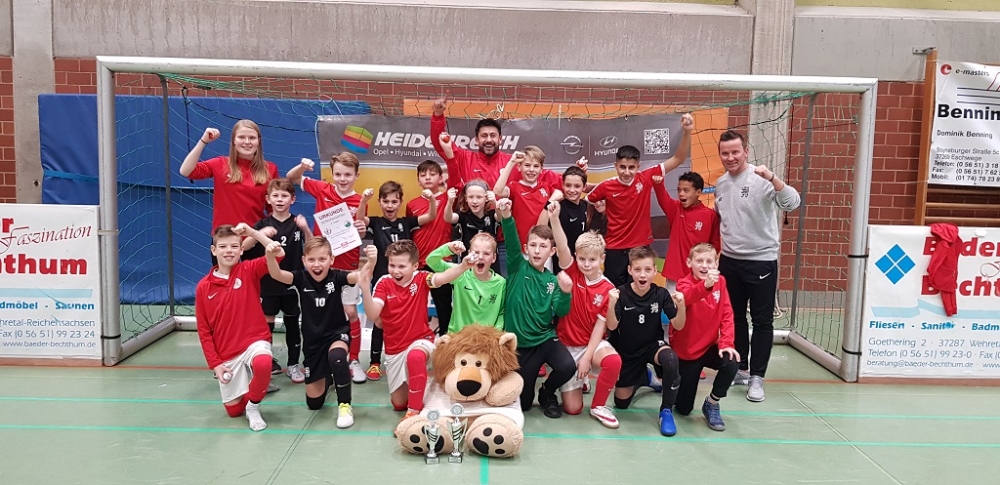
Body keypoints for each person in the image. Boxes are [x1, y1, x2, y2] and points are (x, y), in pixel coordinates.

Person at [714, 130, 801, 403]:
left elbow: (793, 202)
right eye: (725, 153)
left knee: (762, 321)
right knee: (735, 318)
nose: (730, 157)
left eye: (735, 152)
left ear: (746, 152)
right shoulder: (721, 184)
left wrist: (773, 178)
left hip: (761, 261)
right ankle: (741, 368)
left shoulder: (761, 178)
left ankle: (757, 377)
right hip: (730, 262)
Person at [258, 234, 374, 429]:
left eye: (322, 259)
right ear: (304, 260)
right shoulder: (300, 278)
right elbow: (277, 274)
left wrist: (372, 260)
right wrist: (270, 256)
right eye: (311, 259)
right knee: (314, 404)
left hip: (336, 333)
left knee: (337, 357)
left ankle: (345, 406)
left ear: (331, 259)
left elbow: (362, 275)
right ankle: (328, 377)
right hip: (313, 342)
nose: (317, 264)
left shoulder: (337, 276)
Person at [357, 241, 472, 423]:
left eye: (402, 266)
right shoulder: (384, 283)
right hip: (394, 349)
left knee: (415, 357)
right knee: (398, 403)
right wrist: (364, 288)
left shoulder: (422, 278)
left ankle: (413, 412)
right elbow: (373, 315)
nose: (396, 271)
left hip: (421, 341)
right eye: (392, 265)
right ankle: (418, 389)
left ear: (415, 266)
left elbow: (443, 277)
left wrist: (463, 266)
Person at [286, 155, 368, 384]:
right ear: (332, 174)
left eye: (348, 174)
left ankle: (353, 360)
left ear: (356, 175)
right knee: (320, 314)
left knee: (350, 312)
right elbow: (291, 178)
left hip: (347, 265)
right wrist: (302, 167)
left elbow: (360, 232)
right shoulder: (322, 189)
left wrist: (361, 229)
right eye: (338, 174)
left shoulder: (359, 200)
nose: (343, 179)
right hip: (320, 268)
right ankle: (322, 359)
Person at [586, 114, 694, 287]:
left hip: (640, 247)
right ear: (615, 166)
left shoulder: (646, 177)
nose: (626, 172)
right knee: (614, 293)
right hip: (614, 248)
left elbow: (678, 159)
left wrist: (687, 131)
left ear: (638, 166)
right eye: (622, 167)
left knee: (640, 291)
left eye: (631, 167)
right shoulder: (605, 186)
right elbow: (585, 201)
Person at [495, 197, 574, 419]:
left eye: (543, 246)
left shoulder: (553, 280)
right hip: (522, 346)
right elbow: (511, 239)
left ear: (552, 251)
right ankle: (530, 392)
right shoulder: (517, 266)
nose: (537, 251)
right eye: (533, 245)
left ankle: (547, 392)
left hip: (545, 339)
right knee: (524, 404)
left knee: (568, 366)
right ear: (526, 248)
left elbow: (561, 311)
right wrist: (507, 216)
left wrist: (566, 293)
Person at [194, 224, 277, 432]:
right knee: (233, 411)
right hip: (228, 352)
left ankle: (254, 406)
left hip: (254, 340)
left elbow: (278, 253)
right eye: (223, 247)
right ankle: (253, 390)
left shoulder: (248, 270)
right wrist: (216, 364)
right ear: (214, 250)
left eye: (234, 246)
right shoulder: (203, 287)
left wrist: (253, 233)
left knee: (263, 363)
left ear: (241, 249)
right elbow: (204, 331)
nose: (229, 251)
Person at [547, 204, 621, 428]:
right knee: (573, 409)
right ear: (576, 257)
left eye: (592, 259)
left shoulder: (608, 288)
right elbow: (562, 247)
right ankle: (581, 380)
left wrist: (587, 358)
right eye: (582, 259)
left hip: (591, 344)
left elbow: (601, 327)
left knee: (613, 361)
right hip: (568, 345)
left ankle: (599, 406)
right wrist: (554, 219)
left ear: (602, 258)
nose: (586, 264)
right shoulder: (572, 271)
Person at [355, 181, 438, 381]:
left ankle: (409, 356)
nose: (390, 205)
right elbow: (359, 220)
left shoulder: (407, 222)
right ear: (380, 202)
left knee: (404, 320)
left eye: (394, 201)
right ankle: (375, 363)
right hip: (383, 281)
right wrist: (363, 200)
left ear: (401, 202)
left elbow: (430, 216)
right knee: (379, 321)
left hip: (405, 283)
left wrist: (432, 201)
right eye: (386, 201)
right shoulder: (375, 223)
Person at [606, 247, 686, 437]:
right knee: (621, 404)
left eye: (648, 269)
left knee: (671, 359)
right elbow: (611, 325)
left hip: (653, 346)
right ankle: (645, 377)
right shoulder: (621, 293)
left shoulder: (661, 294)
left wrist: (681, 307)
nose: (643, 274)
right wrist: (611, 303)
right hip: (628, 352)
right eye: (638, 269)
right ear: (630, 270)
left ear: (654, 271)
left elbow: (678, 325)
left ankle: (666, 410)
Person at [242, 178, 312, 380]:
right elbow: (244, 247)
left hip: (292, 282)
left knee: (292, 324)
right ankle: (267, 362)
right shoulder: (263, 224)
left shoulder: (297, 223)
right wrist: (259, 234)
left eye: (284, 196)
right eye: (276, 196)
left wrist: (306, 228)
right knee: (267, 324)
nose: (280, 199)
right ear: (268, 199)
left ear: (293, 199)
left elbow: (311, 246)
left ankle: (293, 364)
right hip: (268, 283)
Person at [179, 120, 278, 263]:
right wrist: (203, 141)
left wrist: (268, 231)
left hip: (255, 239)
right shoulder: (220, 164)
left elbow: (272, 208)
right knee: (224, 278)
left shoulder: (270, 169)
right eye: (242, 137)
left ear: (259, 141)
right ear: (233, 141)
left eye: (252, 138)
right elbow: (186, 171)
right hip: (224, 241)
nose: (247, 142)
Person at [673, 243, 740, 431]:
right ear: (689, 263)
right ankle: (668, 378)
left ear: (716, 264)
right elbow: (688, 297)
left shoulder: (721, 282)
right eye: (699, 261)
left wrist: (726, 343)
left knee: (732, 360)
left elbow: (726, 313)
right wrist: (706, 285)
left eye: (709, 261)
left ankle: (712, 402)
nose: (704, 266)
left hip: (710, 346)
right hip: (687, 352)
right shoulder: (683, 284)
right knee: (683, 409)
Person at [406, 160, 456, 337]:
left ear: (441, 178)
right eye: (423, 175)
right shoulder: (412, 204)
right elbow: (410, 233)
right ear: (418, 180)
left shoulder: (448, 199)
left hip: (442, 262)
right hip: (419, 262)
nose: (427, 177)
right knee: (416, 306)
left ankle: (445, 340)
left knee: (444, 306)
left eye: (432, 174)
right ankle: (417, 339)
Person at [652, 171, 721, 293]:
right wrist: (658, 184)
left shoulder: (710, 215)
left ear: (698, 192)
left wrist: (706, 267)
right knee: (674, 305)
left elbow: (715, 246)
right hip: (676, 277)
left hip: (699, 276)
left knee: (698, 305)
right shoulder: (675, 209)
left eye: (686, 190)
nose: (681, 194)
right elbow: (663, 198)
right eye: (679, 190)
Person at [426, 235, 505, 333]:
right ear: (469, 254)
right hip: (458, 336)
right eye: (476, 252)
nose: (480, 257)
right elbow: (431, 261)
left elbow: (501, 313)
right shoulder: (460, 272)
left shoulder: (501, 283)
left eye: (486, 253)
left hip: (486, 339)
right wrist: (449, 248)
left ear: (494, 257)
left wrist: (493, 334)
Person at [493, 148, 563, 250]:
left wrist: (552, 199)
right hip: (518, 249)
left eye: (536, 166)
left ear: (541, 169)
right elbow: (498, 191)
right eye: (527, 165)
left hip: (541, 248)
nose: (531, 170)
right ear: (519, 167)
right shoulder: (514, 187)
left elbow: (561, 193)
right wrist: (511, 162)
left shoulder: (546, 188)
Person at [448, 180, 502, 274]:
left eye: (479, 197)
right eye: (471, 197)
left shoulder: (492, 215)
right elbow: (448, 218)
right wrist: (449, 203)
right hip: (468, 264)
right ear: (466, 198)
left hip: (490, 265)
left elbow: (501, 218)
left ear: (486, 198)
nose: (475, 201)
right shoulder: (463, 216)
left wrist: (494, 202)